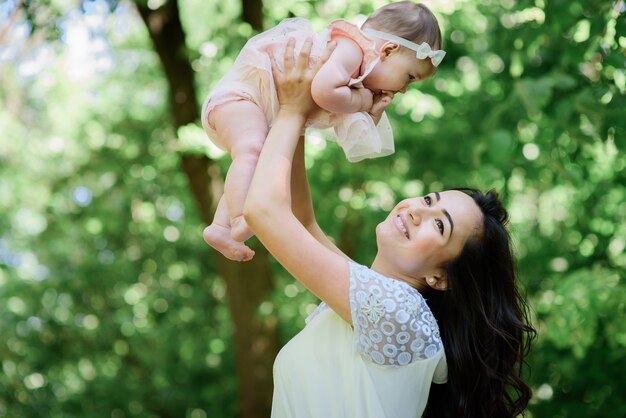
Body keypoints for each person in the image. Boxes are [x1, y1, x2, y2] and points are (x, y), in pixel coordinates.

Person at [240, 38, 536, 417]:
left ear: (440, 277)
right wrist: (299, 111)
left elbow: (264, 211)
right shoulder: (373, 300)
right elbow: (302, 221)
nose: (417, 211)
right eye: (429, 200)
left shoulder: (400, 313)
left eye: (439, 226)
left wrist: (292, 110)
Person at [202, 2, 446, 262]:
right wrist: (362, 102)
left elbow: (354, 140)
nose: (405, 89)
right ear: (388, 50)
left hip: (258, 112)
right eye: (409, 77)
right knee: (252, 151)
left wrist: (370, 113)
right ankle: (239, 217)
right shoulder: (351, 49)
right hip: (240, 98)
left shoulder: (355, 80)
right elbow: (322, 91)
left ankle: (220, 227)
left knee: (256, 158)